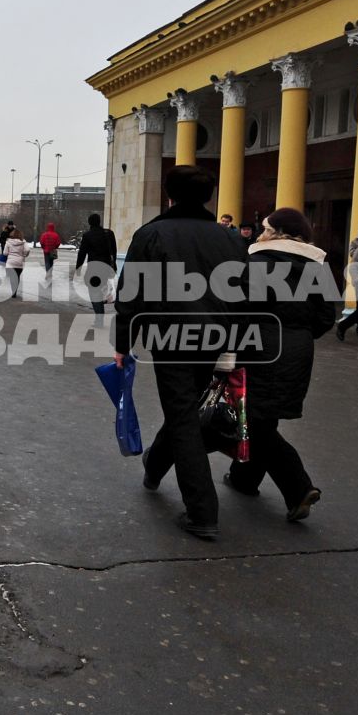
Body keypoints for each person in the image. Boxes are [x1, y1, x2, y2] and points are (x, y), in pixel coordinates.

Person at [113, 164, 248, 541]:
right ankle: (154, 466)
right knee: (184, 409)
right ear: (209, 197)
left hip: (170, 336)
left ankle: (202, 511)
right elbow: (245, 293)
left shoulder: (153, 234)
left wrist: (123, 344)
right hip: (215, 339)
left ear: (169, 195)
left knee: (183, 416)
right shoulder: (231, 239)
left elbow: (131, 295)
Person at [224, 208, 336, 522]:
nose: (261, 232)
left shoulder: (255, 262)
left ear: (275, 232)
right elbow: (327, 317)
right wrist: (298, 335)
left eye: (265, 227)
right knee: (264, 415)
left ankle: (298, 487)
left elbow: (239, 308)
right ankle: (244, 478)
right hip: (298, 349)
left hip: (259, 344)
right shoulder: (318, 265)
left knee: (257, 418)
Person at [75, 212, 118, 321]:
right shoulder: (109, 233)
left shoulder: (87, 235)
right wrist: (113, 265)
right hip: (107, 267)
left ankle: (99, 317)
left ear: (89, 223)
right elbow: (114, 251)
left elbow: (82, 253)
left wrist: (78, 268)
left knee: (94, 291)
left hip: (94, 268)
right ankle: (101, 311)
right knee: (101, 289)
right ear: (99, 221)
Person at [2, 223, 29, 297]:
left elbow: (5, 253)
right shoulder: (23, 242)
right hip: (19, 262)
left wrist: (9, 253)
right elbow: (27, 250)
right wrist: (24, 255)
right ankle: (15, 291)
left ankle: (13, 292)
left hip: (10, 262)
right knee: (17, 277)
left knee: (12, 277)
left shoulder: (8, 242)